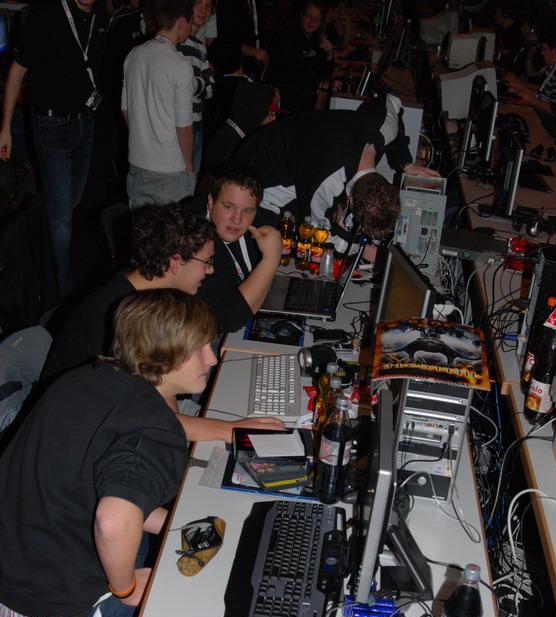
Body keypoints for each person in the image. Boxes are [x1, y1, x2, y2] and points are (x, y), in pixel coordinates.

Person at [0, 289, 217, 617]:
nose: (211, 358)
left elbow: (84, 488)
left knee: (202, 543)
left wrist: (174, 524)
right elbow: (114, 521)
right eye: (199, 348)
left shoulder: (83, 380)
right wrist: (126, 588)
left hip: (15, 589)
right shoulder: (155, 429)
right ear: (165, 355)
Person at [41, 202, 283, 440]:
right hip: (82, 431)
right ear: (176, 262)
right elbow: (142, 416)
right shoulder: (121, 316)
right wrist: (230, 430)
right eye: (208, 262)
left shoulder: (146, 291)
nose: (210, 271)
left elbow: (159, 398)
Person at [0, 0, 108, 297]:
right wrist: (5, 127)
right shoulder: (46, 15)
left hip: (86, 123)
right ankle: (62, 292)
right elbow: (17, 71)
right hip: (52, 125)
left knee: (68, 207)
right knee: (61, 219)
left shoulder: (100, 14)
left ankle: (43, 261)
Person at [234, 98, 427, 241]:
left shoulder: (384, 128)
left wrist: (406, 163)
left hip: (300, 145)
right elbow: (320, 230)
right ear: (350, 200)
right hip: (259, 170)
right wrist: (368, 252)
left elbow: (392, 102)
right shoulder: (326, 182)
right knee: (272, 241)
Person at [122, 0, 196, 208]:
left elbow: (126, 110)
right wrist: (189, 166)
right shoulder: (180, 65)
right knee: (172, 227)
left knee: (141, 227)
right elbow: (184, 127)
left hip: (137, 163)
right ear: (181, 22)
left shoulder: (134, 55)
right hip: (169, 170)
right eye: (190, 23)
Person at [194, 166, 283, 335]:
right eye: (228, 207)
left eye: (247, 211)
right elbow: (226, 319)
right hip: (203, 335)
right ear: (211, 202)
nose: (237, 219)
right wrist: (271, 258)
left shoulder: (261, 223)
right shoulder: (194, 239)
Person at [503, 27, 556, 132]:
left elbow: (553, 110)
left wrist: (528, 98)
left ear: (555, 49)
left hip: (554, 121)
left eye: (544, 49)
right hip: (547, 113)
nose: (542, 53)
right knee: (508, 104)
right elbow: (543, 91)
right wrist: (519, 84)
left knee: (510, 111)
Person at [267, 1, 335, 114]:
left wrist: (329, 54)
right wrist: (318, 83)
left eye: (316, 19)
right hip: (282, 90)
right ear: (301, 16)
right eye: (309, 16)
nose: (311, 22)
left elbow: (325, 73)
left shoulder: (317, 40)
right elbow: (289, 71)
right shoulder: (286, 36)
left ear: (320, 22)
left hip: (302, 91)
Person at [179, 0, 215, 174]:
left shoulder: (199, 45)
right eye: (198, 4)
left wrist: (200, 81)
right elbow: (183, 86)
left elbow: (210, 90)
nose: (203, 10)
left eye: (208, 6)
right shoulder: (177, 42)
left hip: (196, 123)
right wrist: (203, 79)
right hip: (180, 125)